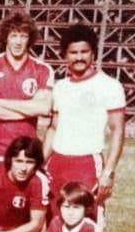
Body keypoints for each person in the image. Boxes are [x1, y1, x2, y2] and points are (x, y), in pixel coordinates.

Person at [44, 23, 125, 218]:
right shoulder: (60, 87)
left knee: (87, 223)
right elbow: (54, 128)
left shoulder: (109, 85)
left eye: (84, 52)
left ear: (93, 53)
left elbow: (118, 131)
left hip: (87, 163)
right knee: (54, 223)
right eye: (73, 52)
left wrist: (108, 172)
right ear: (65, 55)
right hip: (57, 162)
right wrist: (41, 162)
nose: (79, 57)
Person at [0, 11, 54, 161]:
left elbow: (43, 108)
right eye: (14, 36)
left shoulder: (42, 70)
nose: (18, 42)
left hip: (24, 155)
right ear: (6, 37)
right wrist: (28, 110)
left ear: (29, 39)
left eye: (23, 36)